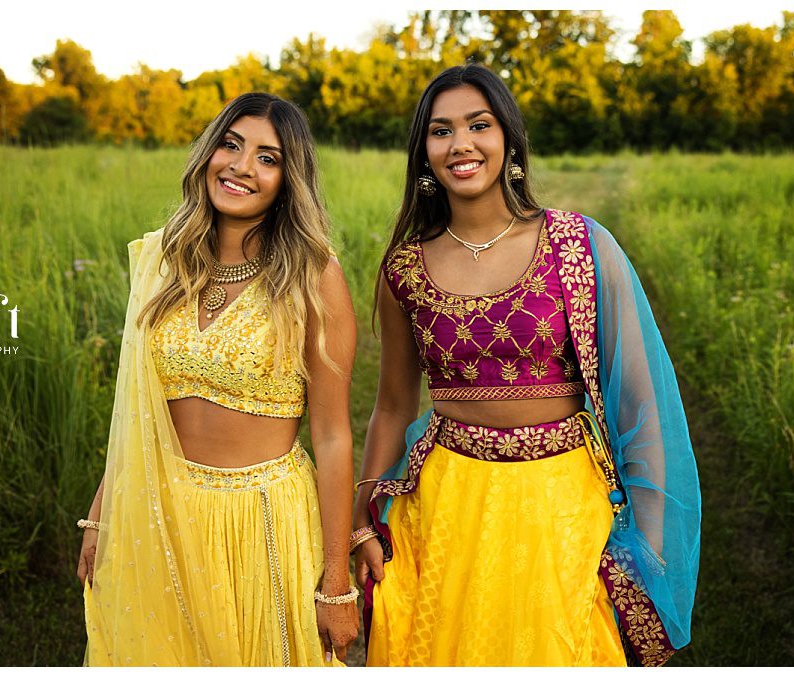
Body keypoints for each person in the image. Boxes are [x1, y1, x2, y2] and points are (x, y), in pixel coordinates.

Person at [355, 63, 700, 666]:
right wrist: (361, 524)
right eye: (441, 131)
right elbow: (390, 407)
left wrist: (646, 546)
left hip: (560, 504)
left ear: (508, 139)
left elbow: (640, 405)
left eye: (478, 125)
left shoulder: (579, 245)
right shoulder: (404, 269)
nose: (460, 145)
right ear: (424, 152)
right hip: (444, 505)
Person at [78, 93, 359, 666]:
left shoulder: (312, 275)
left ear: (289, 180)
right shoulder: (163, 262)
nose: (240, 166)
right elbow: (137, 409)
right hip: (158, 511)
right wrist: (104, 509)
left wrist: (338, 583)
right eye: (230, 145)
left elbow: (333, 436)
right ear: (208, 153)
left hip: (263, 520)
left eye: (267, 157)